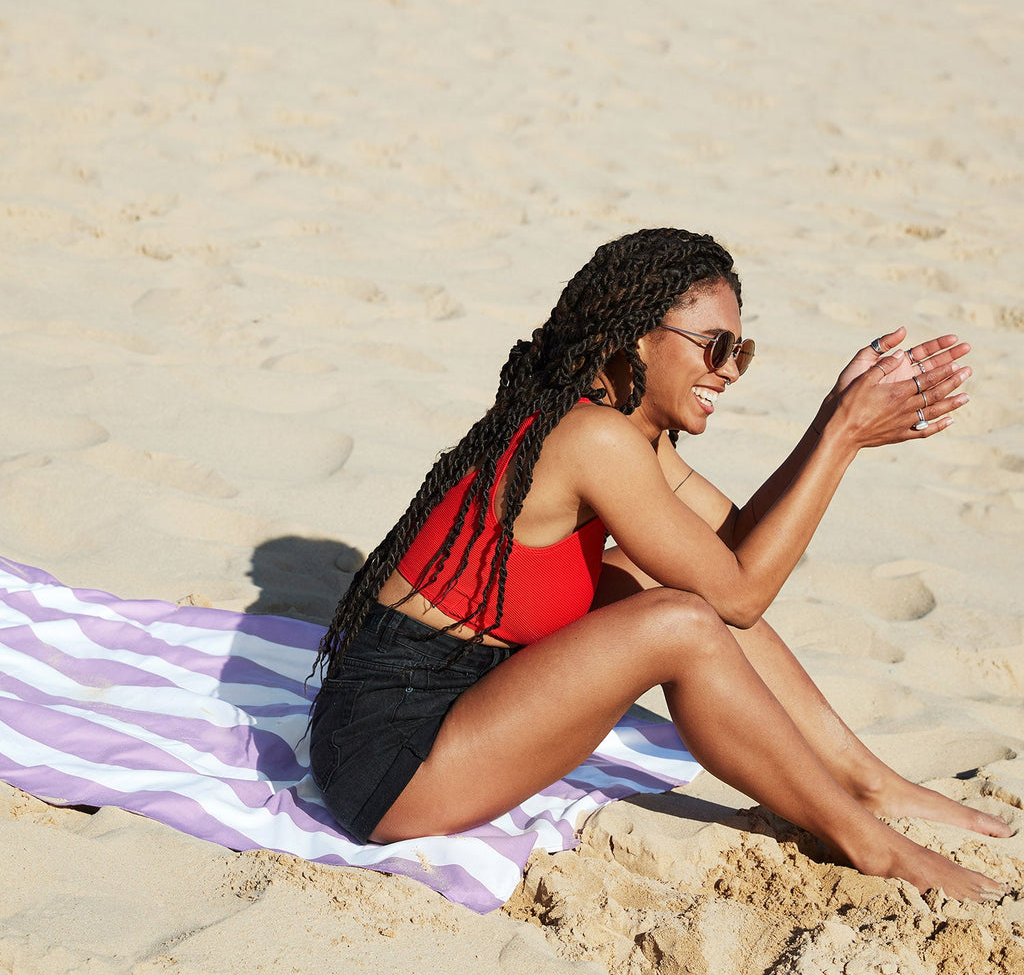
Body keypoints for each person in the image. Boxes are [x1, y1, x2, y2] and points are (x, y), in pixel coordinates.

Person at [309, 228, 1011, 902]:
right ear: (639, 336)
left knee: (658, 582)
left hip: (462, 702)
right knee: (680, 621)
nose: (729, 370)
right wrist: (842, 436)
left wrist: (831, 423)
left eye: (742, 350)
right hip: (392, 759)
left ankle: (866, 781)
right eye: (716, 345)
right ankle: (868, 840)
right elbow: (739, 596)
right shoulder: (594, 439)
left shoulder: (623, 433)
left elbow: (736, 552)